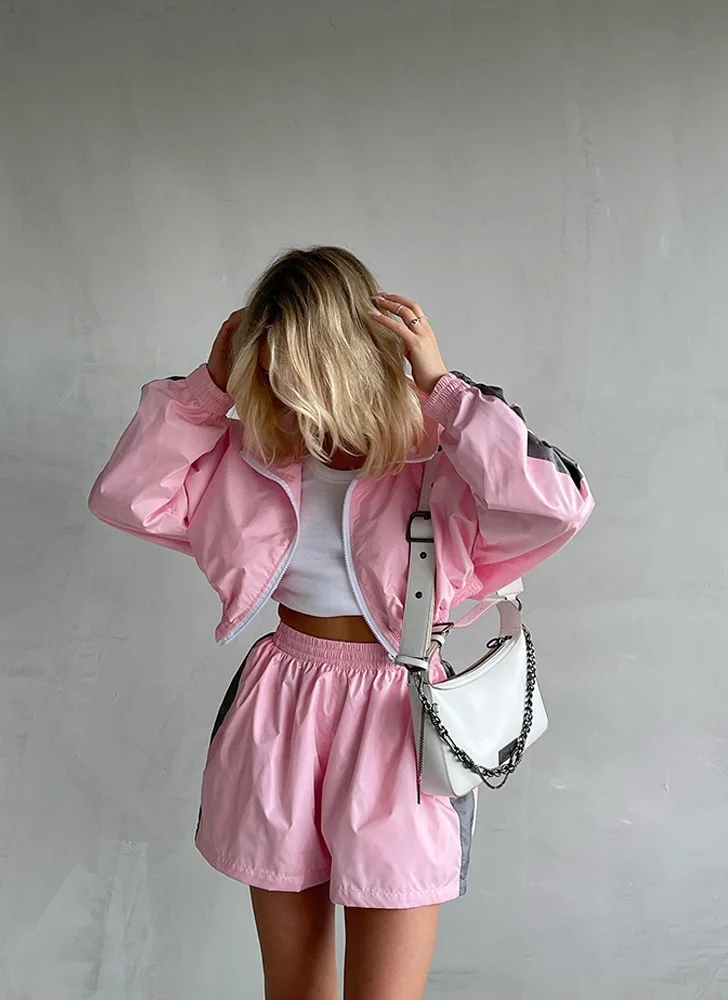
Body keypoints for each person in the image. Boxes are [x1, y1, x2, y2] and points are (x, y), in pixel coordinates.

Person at [88, 245, 594, 1000]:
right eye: (272, 371)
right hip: (282, 705)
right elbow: (128, 497)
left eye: (307, 370)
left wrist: (446, 391)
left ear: (350, 357)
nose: (290, 394)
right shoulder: (251, 453)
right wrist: (206, 390)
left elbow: (557, 504)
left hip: (398, 713)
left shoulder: (432, 454)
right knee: (293, 989)